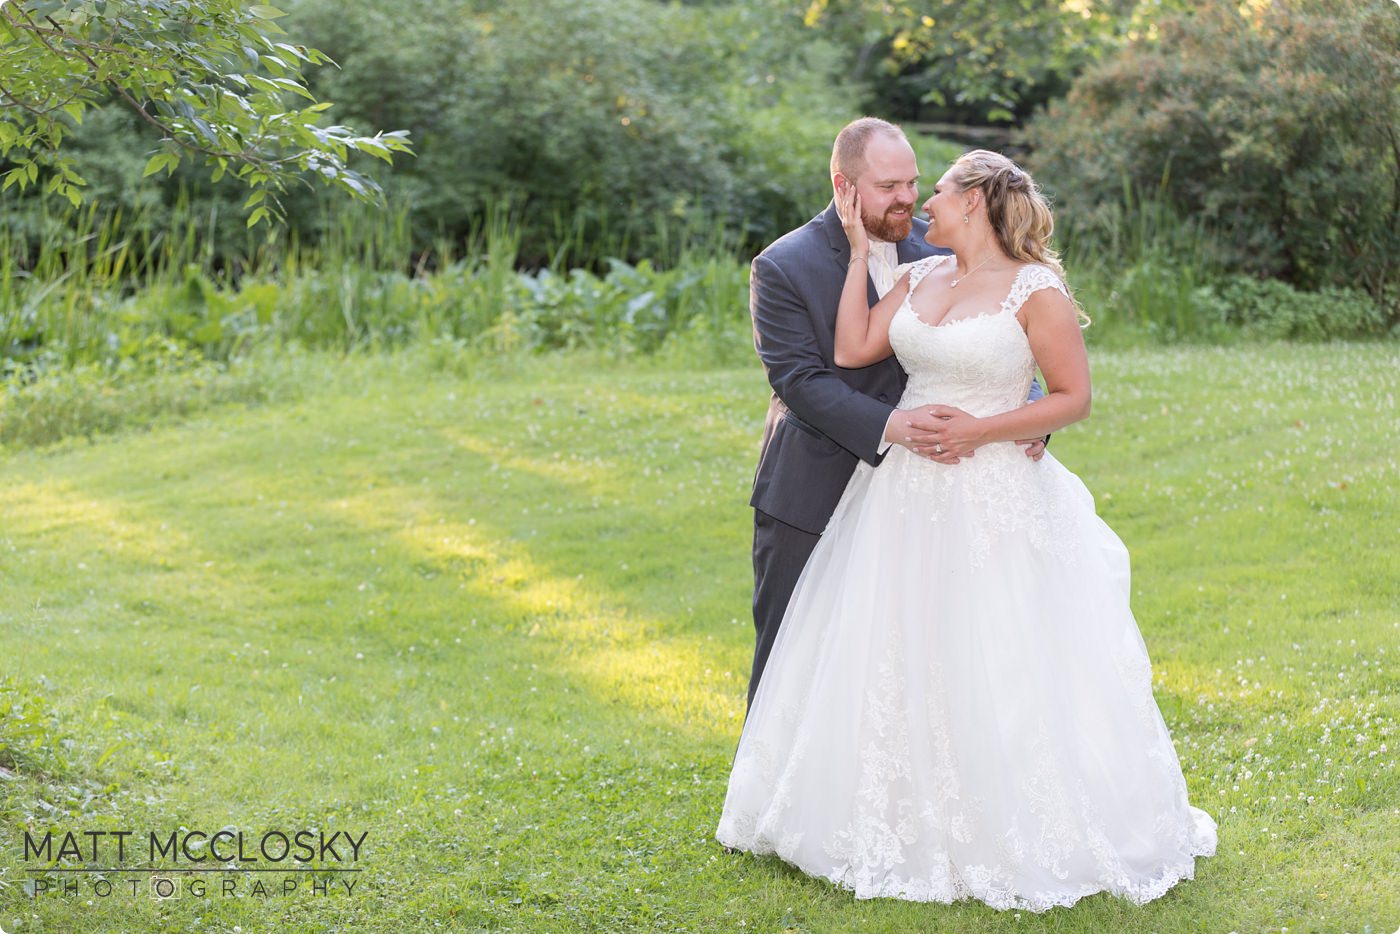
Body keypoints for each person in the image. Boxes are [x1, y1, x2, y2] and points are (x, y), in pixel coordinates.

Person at [717, 149, 1217, 911]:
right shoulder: (914, 273)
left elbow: (1070, 394)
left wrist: (993, 428)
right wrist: (859, 257)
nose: (920, 204)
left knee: (997, 648)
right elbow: (848, 352)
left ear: (975, 202)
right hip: (901, 496)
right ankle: (877, 809)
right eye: (903, 188)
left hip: (991, 496)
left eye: (934, 190)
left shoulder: (1034, 286)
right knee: (893, 647)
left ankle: (1005, 818)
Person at [746, 118, 1044, 709]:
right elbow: (799, 380)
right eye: (889, 186)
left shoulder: (938, 246)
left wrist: (1031, 412)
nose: (909, 197)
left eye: (913, 181)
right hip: (816, 486)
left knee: (916, 664)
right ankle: (772, 799)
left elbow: (1004, 337)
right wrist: (892, 426)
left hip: (930, 499)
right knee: (790, 659)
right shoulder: (783, 265)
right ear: (844, 185)